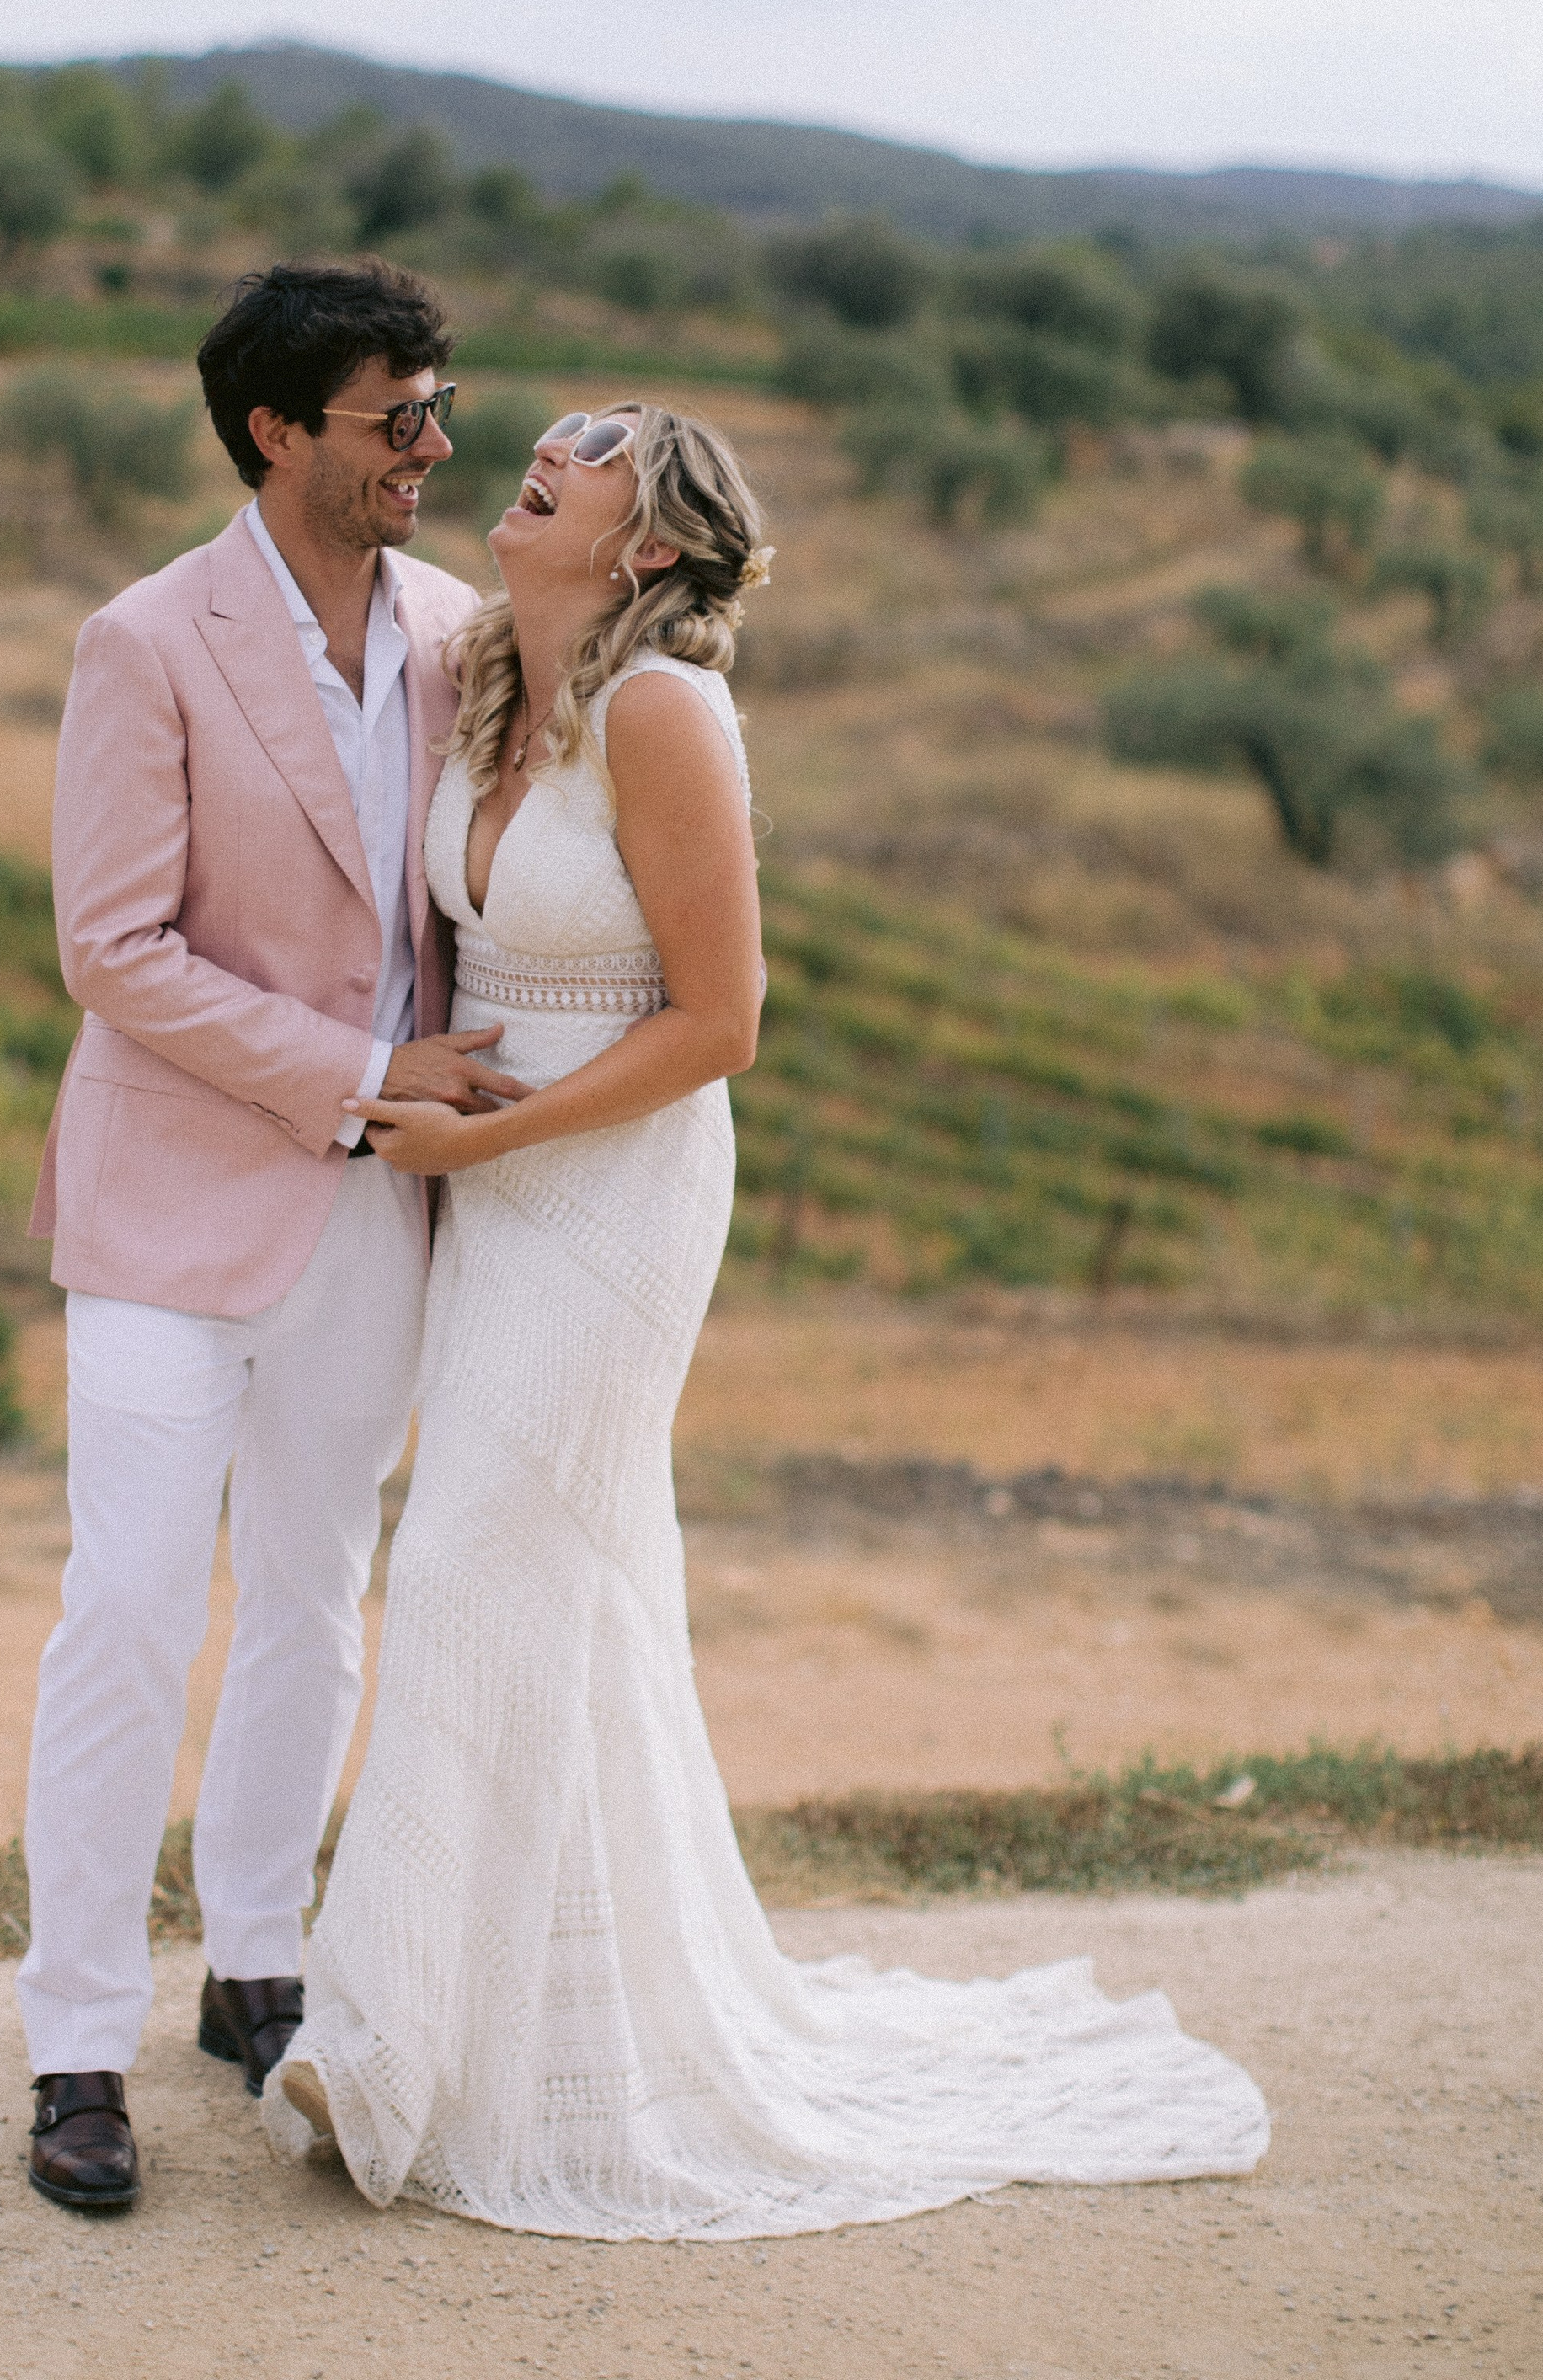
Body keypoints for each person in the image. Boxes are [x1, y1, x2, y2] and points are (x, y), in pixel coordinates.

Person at [262, 398, 1270, 2238]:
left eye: (591, 450)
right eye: (549, 431)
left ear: (645, 545)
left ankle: (384, 2037)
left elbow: (717, 1025)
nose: (541, 448)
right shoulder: (487, 676)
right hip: (486, 1185)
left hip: (612, 1192)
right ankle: (547, 2025)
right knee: (564, 1587)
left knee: (480, 1552)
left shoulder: (665, 711)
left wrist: (490, 1144)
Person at [13, 258, 510, 2213]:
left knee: (314, 1600)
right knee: (126, 1607)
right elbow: (109, 951)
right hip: (165, 1202)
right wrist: (367, 1068)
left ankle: (255, 1966)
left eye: (438, 410)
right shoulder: (141, 642)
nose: (434, 449)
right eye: (400, 418)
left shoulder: (464, 628)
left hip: (374, 1207)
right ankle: (70, 2044)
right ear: (276, 431)